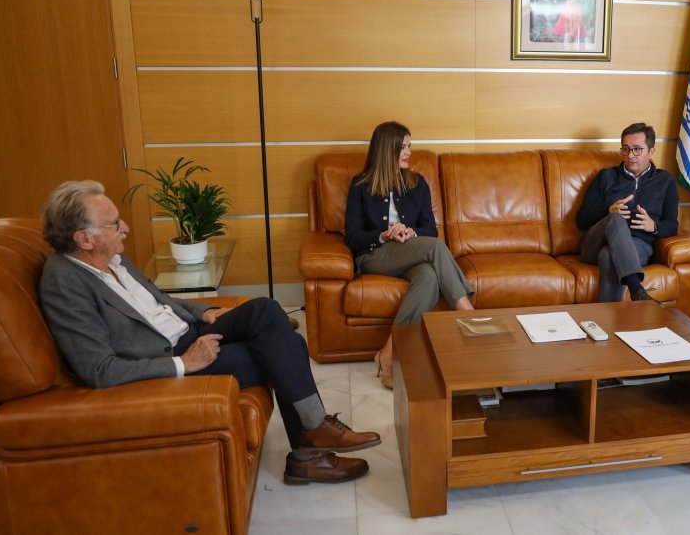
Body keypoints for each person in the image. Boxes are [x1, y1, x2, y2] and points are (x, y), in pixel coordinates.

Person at [38, 180, 380, 486]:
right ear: (84, 238)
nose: (124, 227)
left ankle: (313, 440)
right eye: (114, 223)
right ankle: (309, 449)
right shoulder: (64, 283)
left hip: (190, 330)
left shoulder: (112, 257)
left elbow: (160, 300)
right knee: (288, 346)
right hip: (171, 355)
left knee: (265, 308)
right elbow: (99, 370)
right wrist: (186, 363)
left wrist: (207, 311)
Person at [343, 121, 474, 389]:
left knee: (428, 277)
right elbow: (352, 237)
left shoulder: (417, 183)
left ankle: (389, 353)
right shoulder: (361, 185)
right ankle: (468, 315)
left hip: (410, 252)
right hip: (375, 255)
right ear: (386, 149)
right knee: (436, 249)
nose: (408, 153)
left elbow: (430, 230)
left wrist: (409, 233)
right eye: (402, 147)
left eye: (409, 147)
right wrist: (385, 234)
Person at [575, 122, 680, 305]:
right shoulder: (606, 176)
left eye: (637, 149)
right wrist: (607, 212)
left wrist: (654, 226)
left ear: (651, 151)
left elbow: (672, 224)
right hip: (595, 243)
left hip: (638, 246)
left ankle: (607, 323)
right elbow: (581, 219)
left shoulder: (665, 181)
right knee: (615, 218)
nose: (630, 155)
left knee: (609, 256)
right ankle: (637, 289)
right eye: (626, 149)